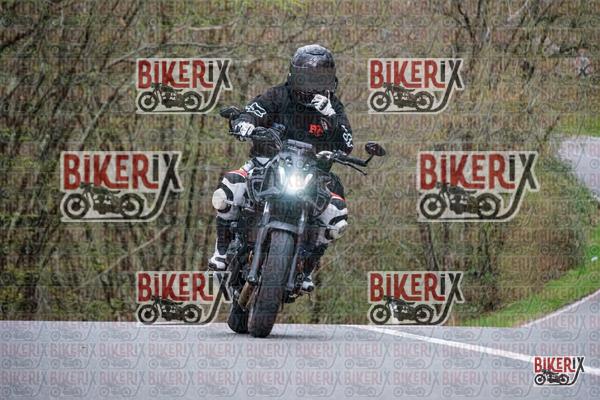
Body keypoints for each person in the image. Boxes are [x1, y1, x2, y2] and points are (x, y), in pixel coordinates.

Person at [208, 44, 354, 292]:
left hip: (314, 173)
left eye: (319, 80)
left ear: (330, 80)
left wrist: (331, 118)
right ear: (294, 75)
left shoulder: (333, 107)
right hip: (266, 163)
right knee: (230, 187)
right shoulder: (277, 95)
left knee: (336, 215)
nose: (312, 86)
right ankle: (221, 251)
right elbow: (253, 111)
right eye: (306, 79)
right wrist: (245, 123)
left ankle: (306, 268)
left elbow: (347, 144)